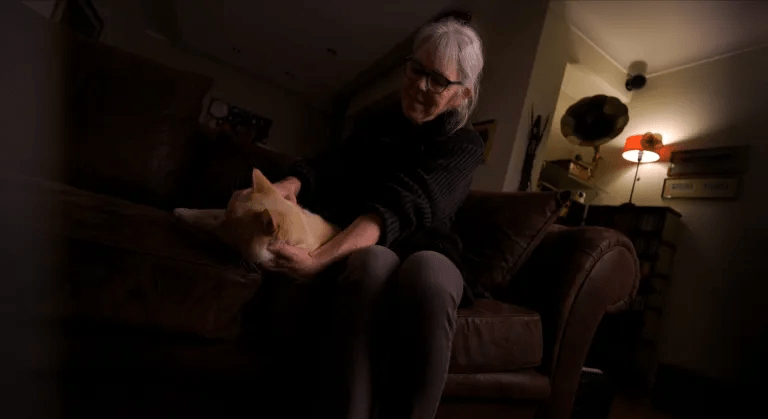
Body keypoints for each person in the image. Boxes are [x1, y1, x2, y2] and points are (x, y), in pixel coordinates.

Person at [258, 17, 485, 419]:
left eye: (437, 80)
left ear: (460, 95)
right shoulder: (375, 124)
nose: (420, 85)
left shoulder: (464, 145)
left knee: (429, 274)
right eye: (416, 69)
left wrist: (318, 261)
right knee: (371, 262)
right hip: (369, 246)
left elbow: (400, 206)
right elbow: (330, 164)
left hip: (428, 249)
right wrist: (294, 181)